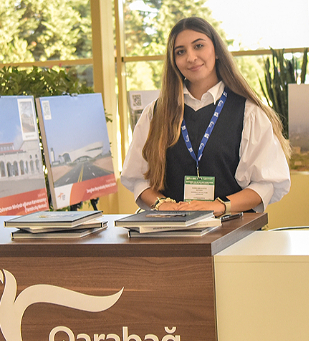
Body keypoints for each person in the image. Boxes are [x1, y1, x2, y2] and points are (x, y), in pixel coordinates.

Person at [121, 17, 291, 217]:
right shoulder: (155, 113)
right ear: (173, 61)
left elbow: (265, 184)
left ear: (217, 51)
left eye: (198, 46)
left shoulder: (249, 112)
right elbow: (139, 179)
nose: (191, 57)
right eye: (180, 52)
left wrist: (220, 206)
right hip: (172, 229)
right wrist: (162, 204)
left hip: (233, 229)